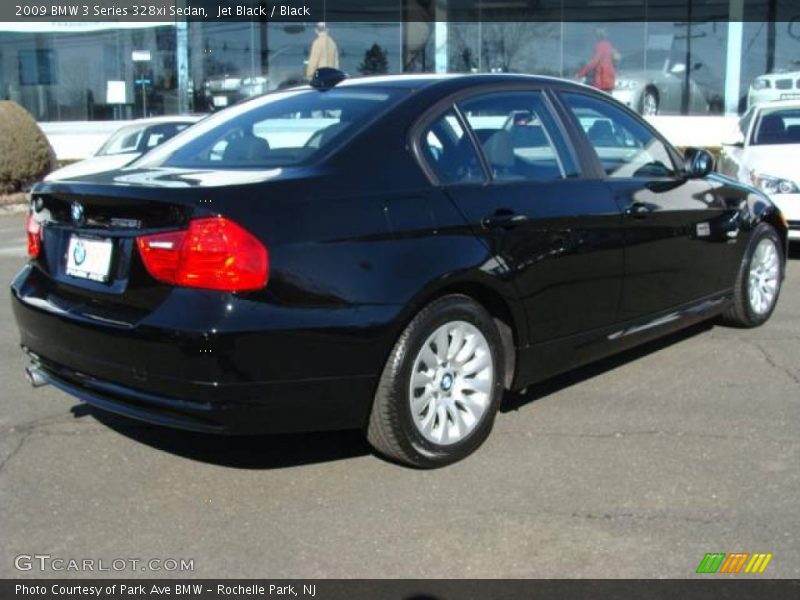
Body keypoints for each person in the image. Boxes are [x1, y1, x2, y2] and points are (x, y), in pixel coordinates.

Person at [576, 28, 620, 93]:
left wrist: (580, 74)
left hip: (603, 80)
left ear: (598, 36)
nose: (592, 37)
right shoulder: (608, 45)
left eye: (594, 35)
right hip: (607, 80)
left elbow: (594, 62)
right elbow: (616, 59)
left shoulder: (601, 45)